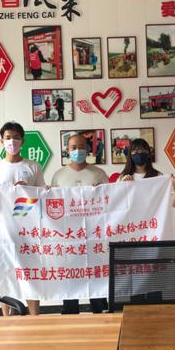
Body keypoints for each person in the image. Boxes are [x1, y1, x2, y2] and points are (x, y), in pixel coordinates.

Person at [0, 121, 46, 316]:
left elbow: (42, 197)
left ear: (22, 140)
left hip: (29, 229)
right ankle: (6, 317)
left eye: (16, 137)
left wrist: (28, 190)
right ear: (1, 140)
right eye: (8, 138)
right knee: (5, 273)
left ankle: (35, 316)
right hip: (1, 230)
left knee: (31, 272)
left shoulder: (33, 166)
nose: (12, 141)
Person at [51, 133, 109, 314]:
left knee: (95, 273)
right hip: (68, 236)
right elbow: (52, 205)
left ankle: (100, 311)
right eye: (74, 147)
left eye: (81, 147)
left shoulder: (98, 173)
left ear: (88, 149)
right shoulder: (59, 175)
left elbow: (110, 201)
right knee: (71, 273)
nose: (77, 150)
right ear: (67, 150)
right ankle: (69, 311)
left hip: (93, 235)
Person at [117, 138, 175, 208]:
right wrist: (122, 185)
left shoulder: (158, 176)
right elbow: (116, 202)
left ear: (148, 154)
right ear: (130, 155)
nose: (139, 153)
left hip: (151, 215)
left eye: (142, 151)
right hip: (131, 215)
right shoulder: (123, 177)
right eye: (136, 151)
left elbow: (174, 204)